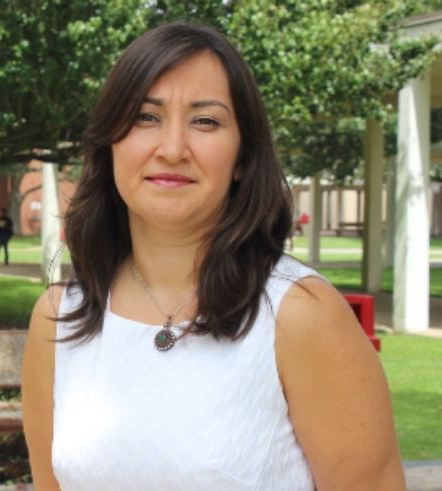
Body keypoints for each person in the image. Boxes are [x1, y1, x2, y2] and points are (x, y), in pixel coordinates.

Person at [22, 22, 405, 491]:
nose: (172, 149)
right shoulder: (60, 318)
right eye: (146, 117)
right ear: (110, 145)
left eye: (205, 121)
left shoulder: (300, 315)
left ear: (243, 156)